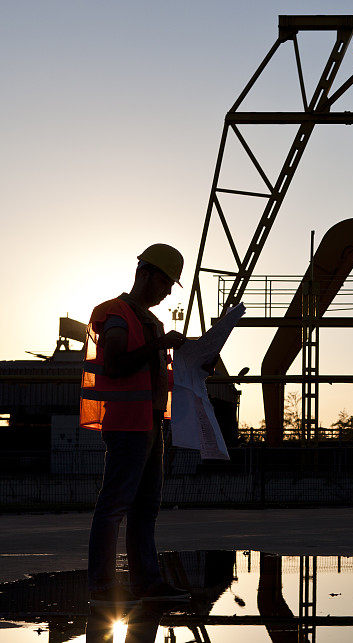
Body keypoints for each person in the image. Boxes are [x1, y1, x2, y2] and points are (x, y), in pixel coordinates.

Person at [81, 243, 190, 606]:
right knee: (114, 505)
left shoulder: (149, 321)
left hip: (149, 423)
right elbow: (114, 365)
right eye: (166, 282)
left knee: (145, 507)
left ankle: (146, 582)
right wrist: (160, 344)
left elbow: (154, 375)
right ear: (146, 274)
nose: (168, 291)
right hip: (128, 424)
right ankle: (101, 586)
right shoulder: (115, 313)